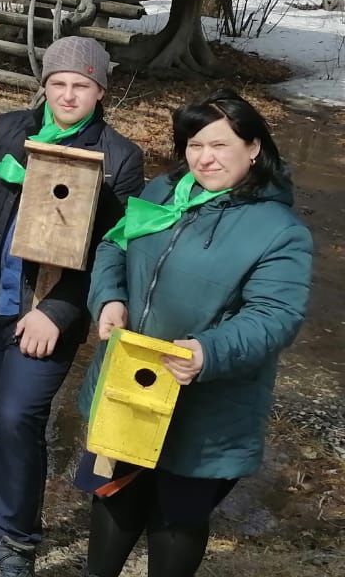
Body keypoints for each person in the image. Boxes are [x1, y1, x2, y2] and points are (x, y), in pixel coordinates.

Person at [77, 89, 312, 577]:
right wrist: (110, 298)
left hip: (205, 406)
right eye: (194, 144)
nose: (205, 158)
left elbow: (275, 316)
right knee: (113, 497)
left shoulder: (278, 230)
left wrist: (208, 351)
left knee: (175, 518)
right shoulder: (161, 193)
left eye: (220, 145)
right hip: (131, 385)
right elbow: (111, 248)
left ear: (254, 148)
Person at [0, 36, 144, 577]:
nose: (68, 95)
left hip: (46, 316)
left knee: (19, 418)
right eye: (58, 83)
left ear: (101, 90)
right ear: (45, 85)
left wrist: (57, 311)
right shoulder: (11, 129)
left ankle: (16, 536)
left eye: (81, 85)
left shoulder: (120, 158)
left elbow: (114, 250)